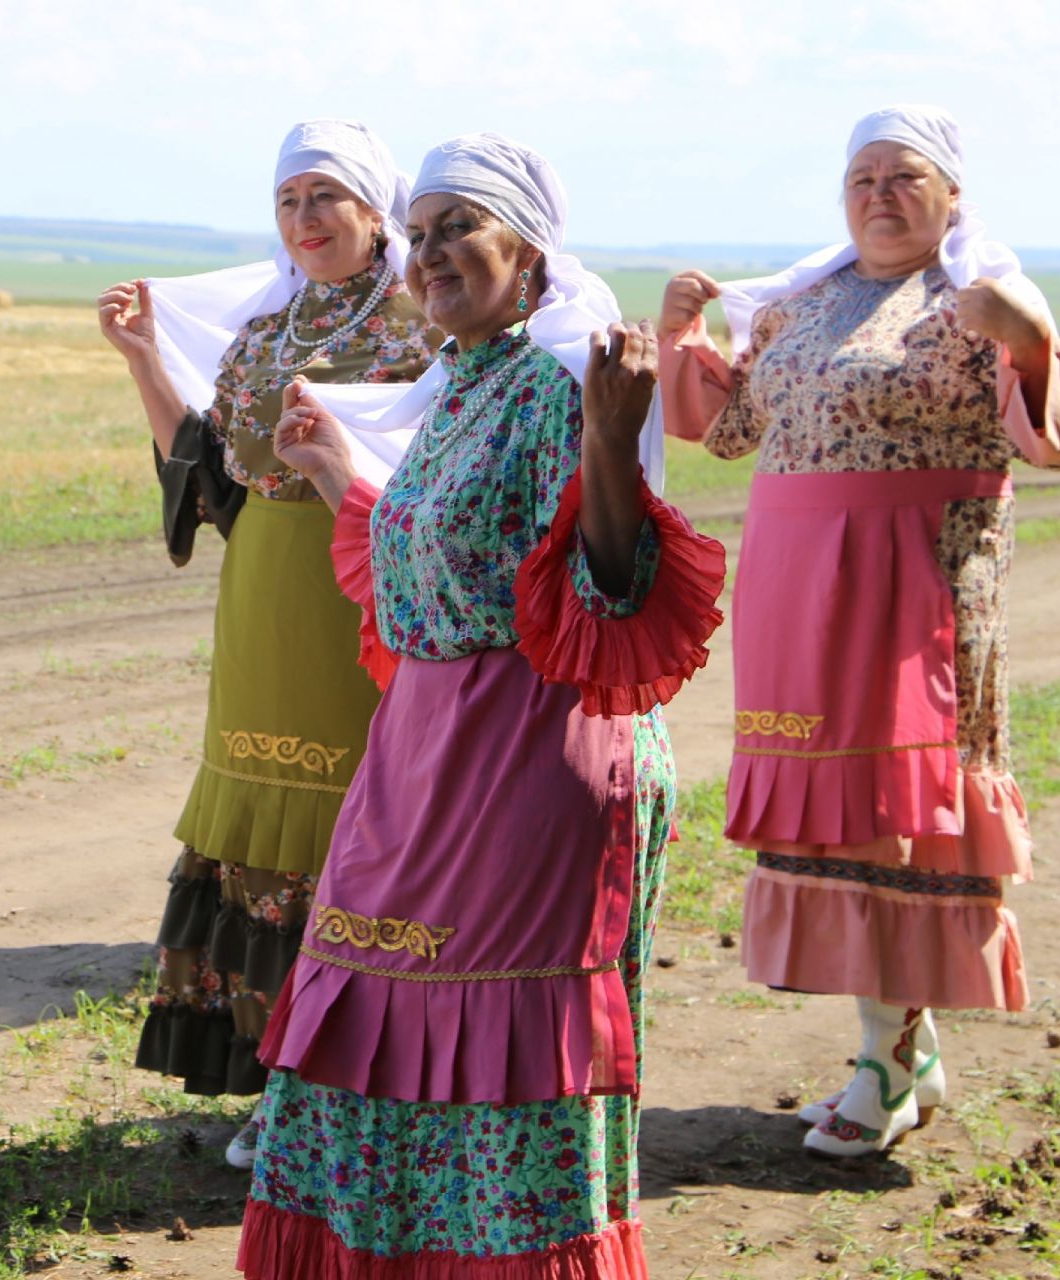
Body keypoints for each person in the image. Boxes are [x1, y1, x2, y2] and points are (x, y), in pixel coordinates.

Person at [238, 134, 726, 1279]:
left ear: (530, 250)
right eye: (419, 234)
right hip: (422, 757)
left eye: (459, 225)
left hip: (528, 759)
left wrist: (612, 435)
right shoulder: (460, 384)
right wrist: (333, 477)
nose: (431, 253)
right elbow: (431, 565)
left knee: (501, 1059)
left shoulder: (563, 384)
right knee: (364, 1021)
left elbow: (610, 582)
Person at [656, 105, 1060, 1157]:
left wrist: (1030, 336)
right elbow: (730, 429)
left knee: (897, 818)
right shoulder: (800, 303)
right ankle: (905, 1047)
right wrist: (680, 336)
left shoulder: (977, 298)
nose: (879, 195)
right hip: (795, 595)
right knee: (831, 818)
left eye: (905, 177)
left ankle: (888, 1061)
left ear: (951, 194)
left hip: (915, 595)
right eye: (862, 176)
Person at [95, 120, 438, 1167]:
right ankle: (284, 1081)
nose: (305, 220)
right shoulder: (263, 333)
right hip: (261, 603)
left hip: (359, 596)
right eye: (290, 202)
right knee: (264, 838)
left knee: (354, 833)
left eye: (326, 198)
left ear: (377, 211)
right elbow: (206, 471)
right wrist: (144, 357)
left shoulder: (425, 328)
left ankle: (360, 1087)